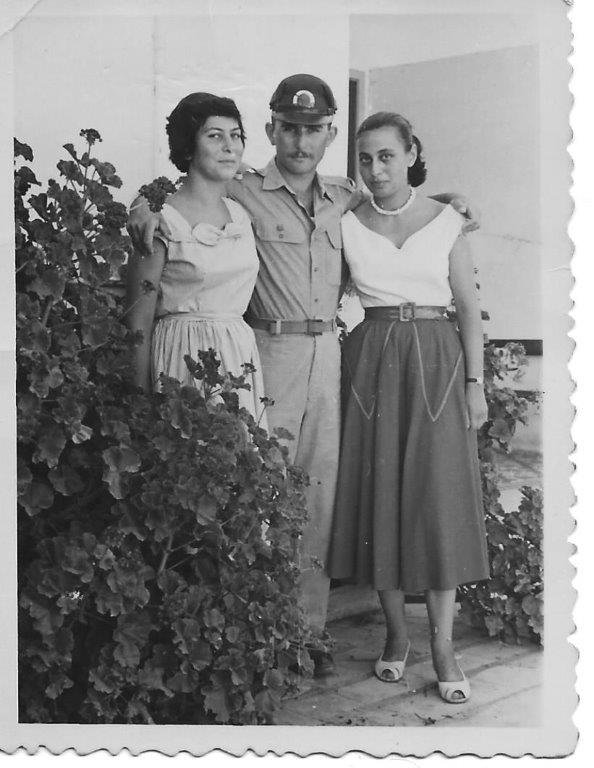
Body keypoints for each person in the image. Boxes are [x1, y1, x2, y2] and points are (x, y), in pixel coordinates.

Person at [127, 75, 479, 677]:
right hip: (264, 351)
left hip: (334, 357)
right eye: (288, 127)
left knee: (319, 497)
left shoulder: (346, 195)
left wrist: (451, 202)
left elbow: (402, 209)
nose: (300, 139)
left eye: (313, 129)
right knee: (258, 492)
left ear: (329, 135)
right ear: (271, 131)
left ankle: (304, 635)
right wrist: (139, 208)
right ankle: (249, 625)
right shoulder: (241, 185)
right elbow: (181, 186)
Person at [327, 112, 490, 703]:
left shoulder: (448, 221)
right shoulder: (345, 221)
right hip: (371, 360)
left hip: (439, 361)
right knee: (383, 499)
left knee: (437, 497)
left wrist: (476, 384)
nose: (375, 169)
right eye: (365, 158)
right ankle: (396, 637)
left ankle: (442, 646)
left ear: (411, 152)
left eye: (387, 156)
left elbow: (469, 308)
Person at [125, 92, 267, 425]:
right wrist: (141, 398)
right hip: (181, 353)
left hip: (236, 352)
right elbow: (137, 322)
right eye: (215, 136)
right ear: (189, 146)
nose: (229, 146)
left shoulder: (242, 213)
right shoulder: (161, 220)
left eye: (236, 136)